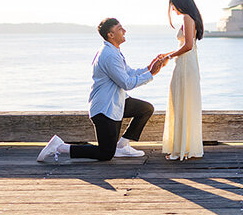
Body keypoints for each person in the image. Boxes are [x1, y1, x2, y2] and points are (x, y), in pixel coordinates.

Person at [37, 18, 165, 162]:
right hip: (105, 109)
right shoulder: (109, 55)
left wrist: (150, 67)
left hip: (117, 103)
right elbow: (126, 83)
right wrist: (151, 74)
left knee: (145, 109)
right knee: (105, 154)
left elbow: (128, 72)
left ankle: (122, 146)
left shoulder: (113, 51)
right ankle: (60, 147)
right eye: (120, 29)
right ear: (110, 35)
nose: (124, 31)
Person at [160, 0, 204, 161]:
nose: (173, 10)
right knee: (184, 102)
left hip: (185, 66)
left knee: (180, 102)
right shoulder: (191, 18)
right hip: (187, 63)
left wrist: (169, 57)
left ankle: (180, 149)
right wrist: (166, 55)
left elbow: (187, 46)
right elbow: (185, 45)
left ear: (180, 3)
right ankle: (185, 146)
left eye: (173, 6)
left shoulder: (187, 17)